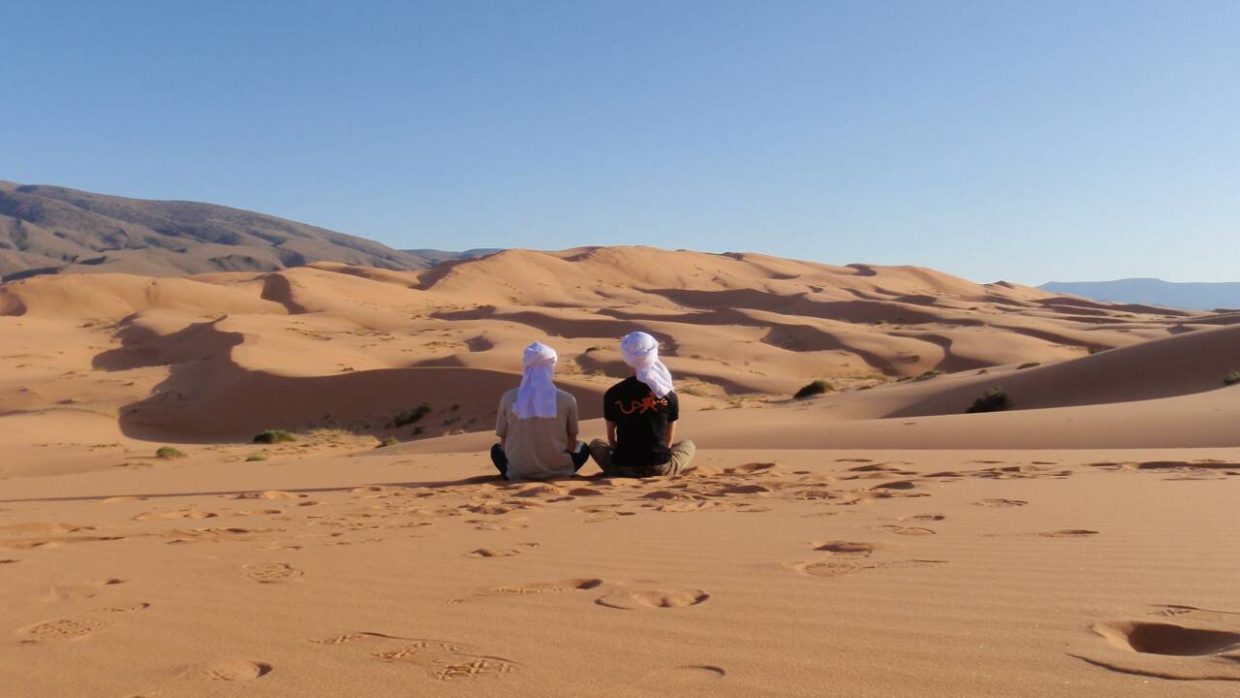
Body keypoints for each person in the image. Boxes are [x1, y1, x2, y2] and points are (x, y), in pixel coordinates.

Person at [589, 331, 695, 477]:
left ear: (627, 357)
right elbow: (668, 442)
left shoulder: (613, 393)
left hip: (622, 468)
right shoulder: (667, 393)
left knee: (596, 444)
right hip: (661, 468)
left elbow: (611, 441)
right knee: (688, 445)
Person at [492, 342, 590, 480]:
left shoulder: (508, 397)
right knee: (584, 447)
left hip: (517, 471)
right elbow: (572, 441)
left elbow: (503, 440)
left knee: (495, 450)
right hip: (558, 470)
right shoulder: (567, 399)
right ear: (551, 366)